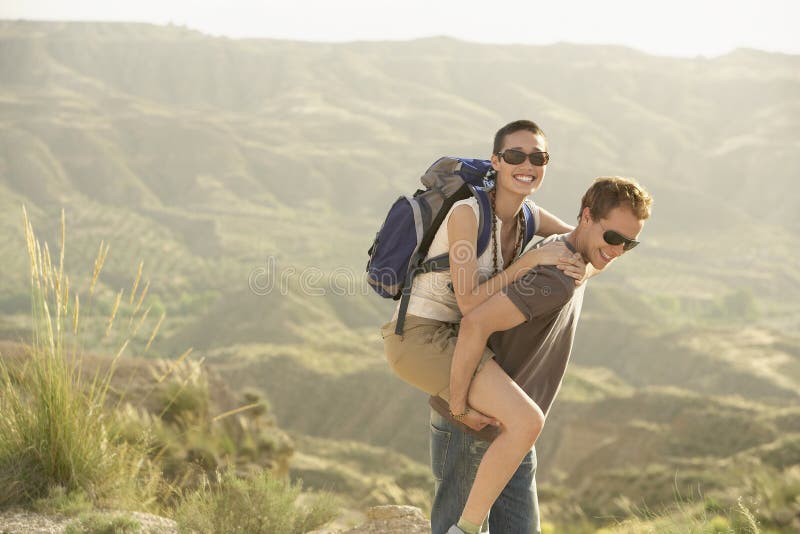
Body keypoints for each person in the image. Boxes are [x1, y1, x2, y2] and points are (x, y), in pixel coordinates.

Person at [382, 120, 588, 533]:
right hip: (419, 338)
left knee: (511, 428)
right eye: (514, 156)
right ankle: (466, 528)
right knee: (525, 421)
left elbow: (585, 241)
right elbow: (469, 301)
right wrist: (532, 262)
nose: (526, 165)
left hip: (458, 340)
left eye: (538, 157)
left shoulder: (528, 215)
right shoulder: (466, 214)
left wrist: (587, 260)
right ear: (496, 161)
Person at [430, 176, 653, 533]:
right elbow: (474, 323)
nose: (617, 250)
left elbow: (592, 257)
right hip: (474, 426)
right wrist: (459, 408)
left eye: (630, 244)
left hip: (512, 432)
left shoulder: (568, 254)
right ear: (586, 217)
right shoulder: (556, 275)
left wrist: (594, 264)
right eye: (613, 237)